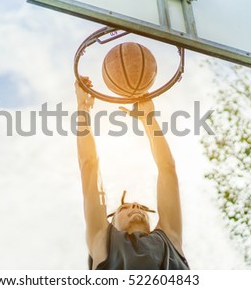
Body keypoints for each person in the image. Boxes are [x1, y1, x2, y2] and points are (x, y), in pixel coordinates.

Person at [75, 76, 189, 270]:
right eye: (125, 208)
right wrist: (83, 108)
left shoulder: (170, 236)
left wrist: (149, 120)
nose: (135, 205)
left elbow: (167, 168)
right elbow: (89, 165)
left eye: (139, 207)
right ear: (112, 221)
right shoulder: (102, 237)